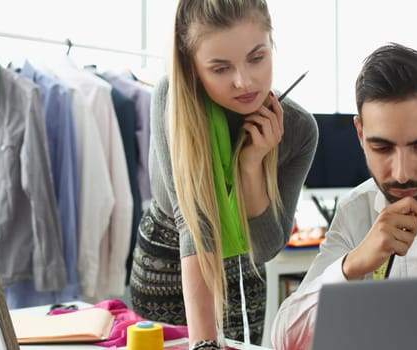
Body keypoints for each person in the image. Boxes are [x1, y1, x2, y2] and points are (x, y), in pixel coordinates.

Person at [271, 43, 417, 350]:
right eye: (382, 148)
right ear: (360, 133)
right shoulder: (356, 210)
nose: (402, 172)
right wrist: (352, 265)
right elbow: (283, 339)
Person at [129, 0, 318, 348]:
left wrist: (251, 167)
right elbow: (194, 225)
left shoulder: (299, 129)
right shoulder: (173, 100)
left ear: (271, 44)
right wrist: (204, 345)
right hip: (168, 259)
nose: (244, 81)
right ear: (192, 66)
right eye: (220, 68)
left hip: (241, 272)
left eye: (257, 58)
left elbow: (264, 248)